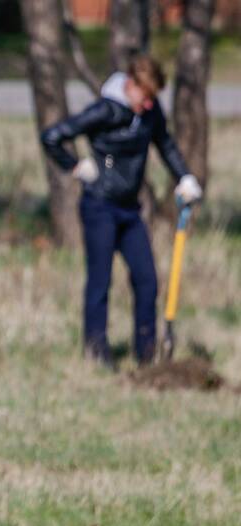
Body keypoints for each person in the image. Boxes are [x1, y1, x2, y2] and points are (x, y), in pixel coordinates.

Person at [40, 55, 203, 366]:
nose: (148, 104)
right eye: (145, 96)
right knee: (100, 280)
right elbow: (52, 137)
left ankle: (146, 353)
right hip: (99, 206)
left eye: (153, 98)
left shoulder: (150, 113)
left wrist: (185, 177)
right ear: (131, 85)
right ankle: (96, 351)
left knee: (147, 280)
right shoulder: (105, 110)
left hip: (130, 210)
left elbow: (165, 144)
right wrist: (74, 166)